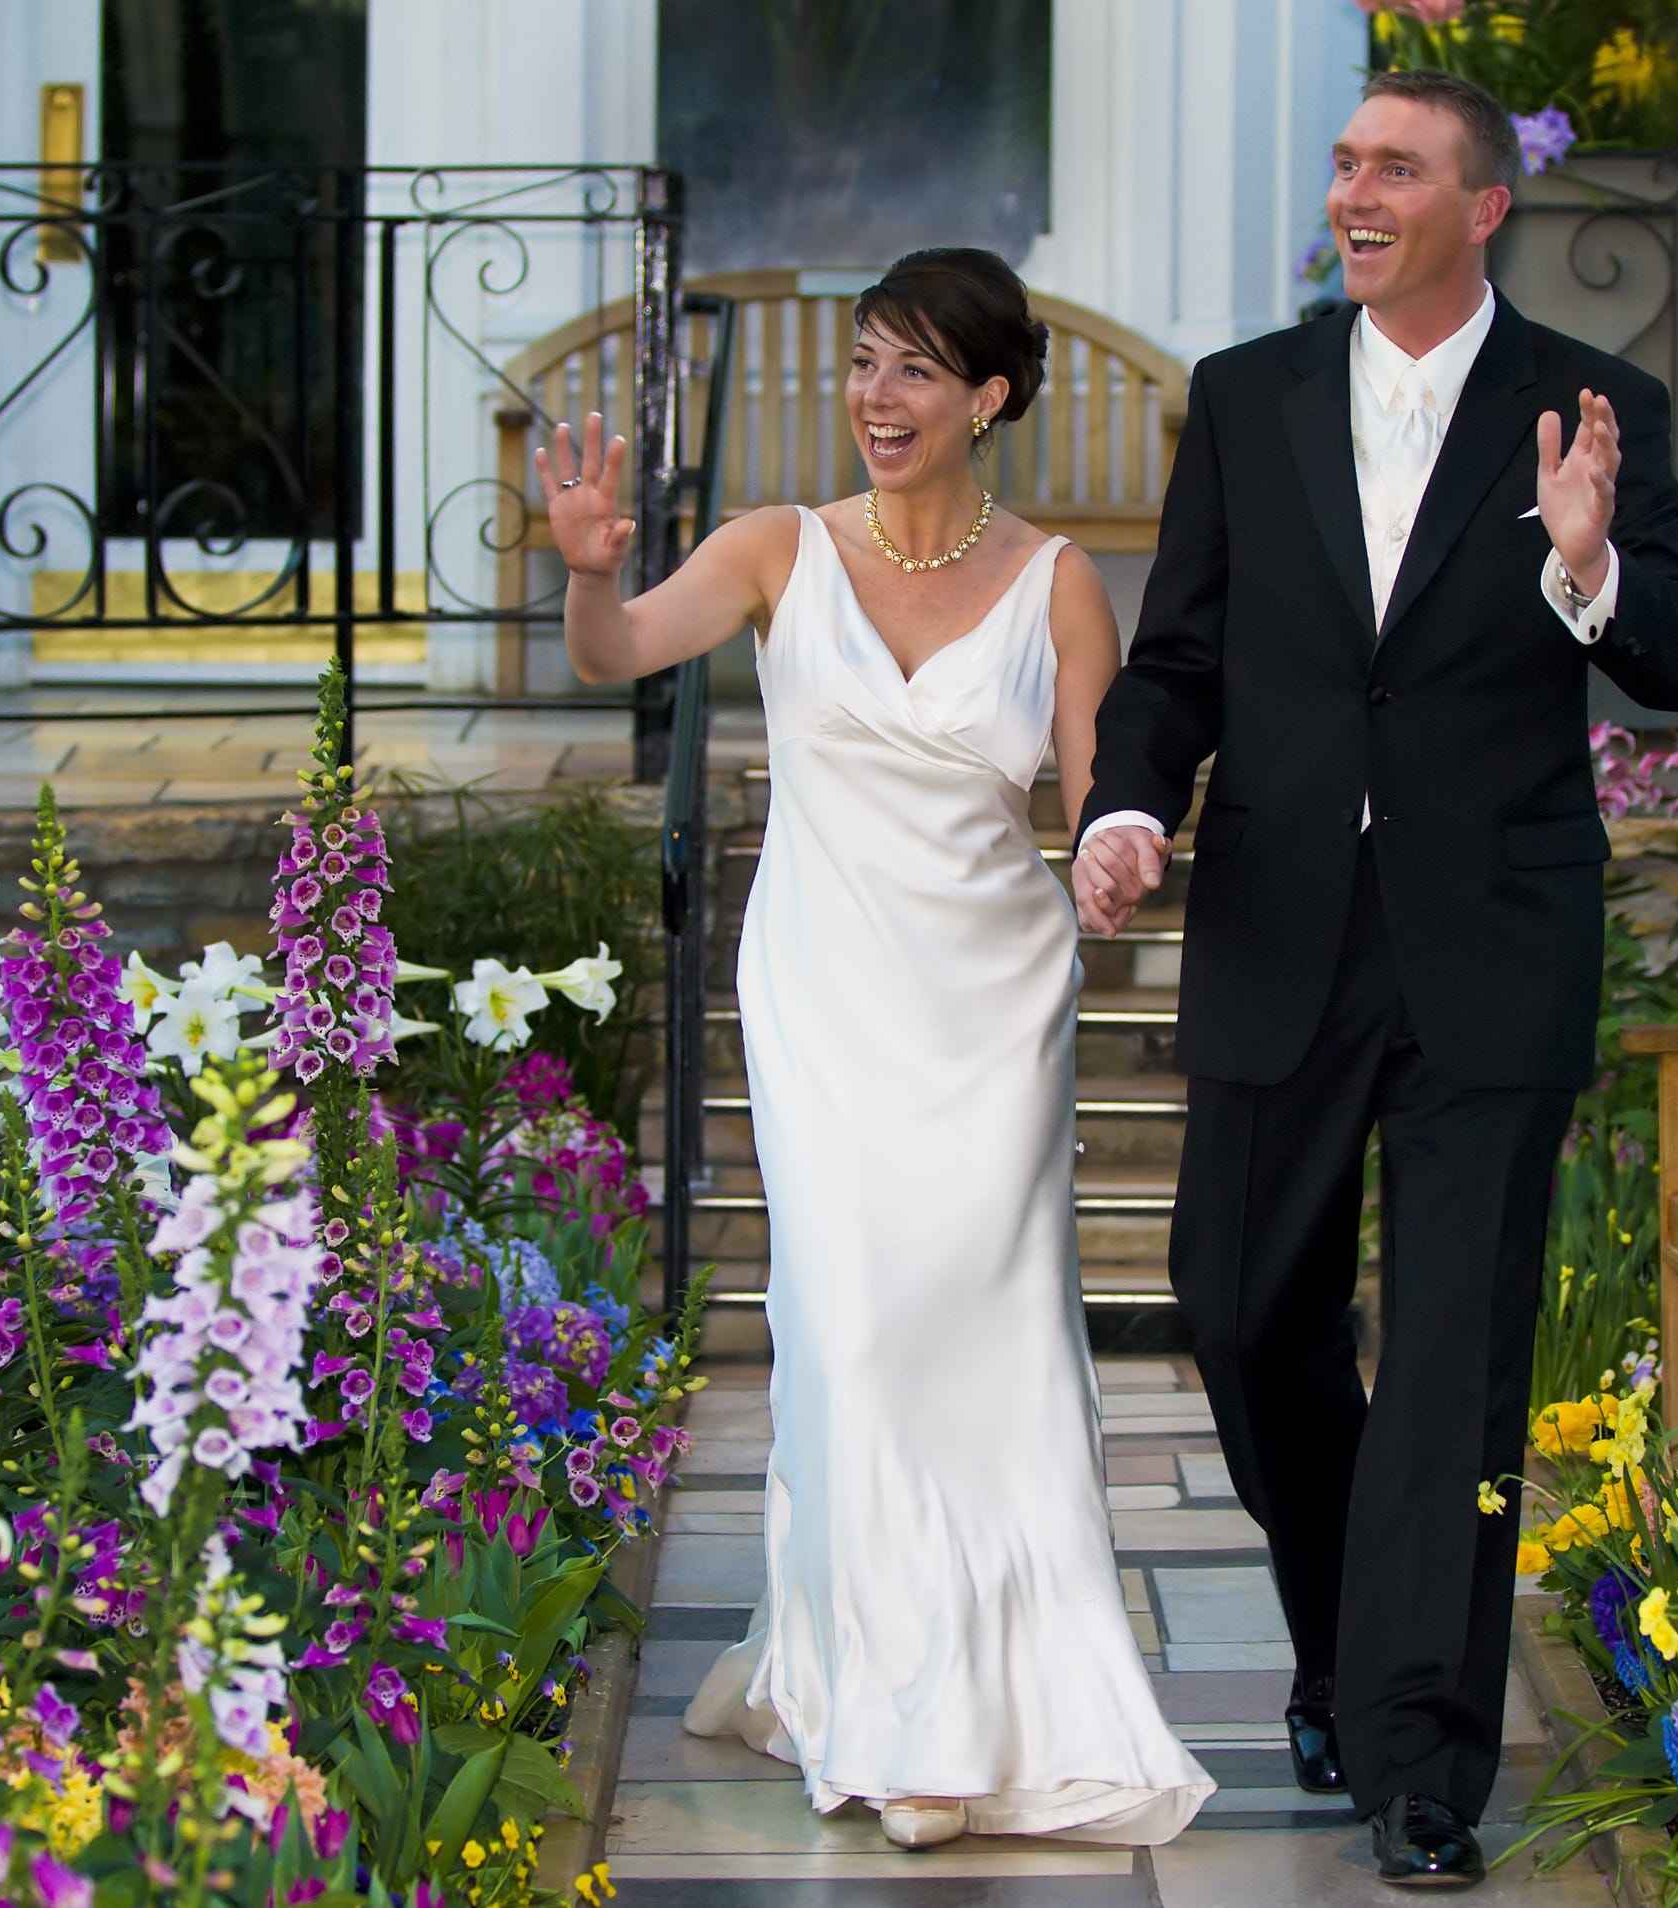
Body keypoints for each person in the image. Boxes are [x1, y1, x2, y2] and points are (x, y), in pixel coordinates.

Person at [1072, 71, 1678, 1889]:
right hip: (1284, 922)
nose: (1355, 190)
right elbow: (1177, 658)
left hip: (1489, 940)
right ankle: (1350, 1651)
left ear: (1484, 206)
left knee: (1452, 1355)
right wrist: (1127, 802)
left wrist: (1590, 568)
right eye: (1347, 162)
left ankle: (1422, 1759)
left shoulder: (1596, 408)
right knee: (1238, 1300)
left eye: (1396, 167)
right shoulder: (1246, 395)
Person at [539, 248, 1212, 1852]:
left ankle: (991, 1700)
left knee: (971, 1349)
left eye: (913, 370)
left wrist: (1120, 852)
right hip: (828, 999)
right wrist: (582, 571)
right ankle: (890, 1703)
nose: (875, 399)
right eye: (860, 364)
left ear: (987, 395)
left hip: (991, 1009)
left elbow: (1098, 787)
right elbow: (614, 652)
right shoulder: (779, 548)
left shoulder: (1058, 581)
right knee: (845, 1332)